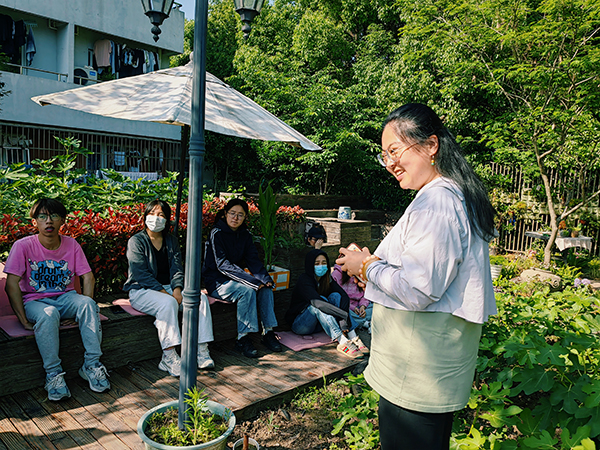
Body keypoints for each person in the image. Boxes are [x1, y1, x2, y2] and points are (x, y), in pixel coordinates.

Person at [337, 103, 497, 450]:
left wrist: (364, 266)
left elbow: (417, 289)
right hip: (426, 369)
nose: (390, 163)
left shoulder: (437, 202)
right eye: (384, 155)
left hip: (414, 371)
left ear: (430, 145)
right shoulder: (454, 194)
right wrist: (372, 268)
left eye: (395, 150)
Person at [3, 198, 110, 401]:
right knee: (49, 314)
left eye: (54, 216)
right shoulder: (22, 246)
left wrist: (80, 314)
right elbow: (11, 284)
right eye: (42, 216)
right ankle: (53, 374)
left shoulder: (72, 244)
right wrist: (24, 320)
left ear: (63, 220)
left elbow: (88, 277)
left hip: (66, 297)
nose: (48, 221)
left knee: (89, 304)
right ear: (34, 222)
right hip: (35, 302)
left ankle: (92, 365)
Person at [123, 199, 215, 376]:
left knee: (200, 298)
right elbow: (140, 273)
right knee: (167, 303)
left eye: (161, 215)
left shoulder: (170, 240)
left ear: (167, 220)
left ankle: (201, 351)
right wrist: (165, 293)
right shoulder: (136, 241)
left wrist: (177, 289)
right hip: (142, 290)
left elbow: (176, 268)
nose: (155, 218)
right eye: (151, 214)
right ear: (145, 217)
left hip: (169, 289)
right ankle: (169, 357)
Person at [202, 198, 282, 358]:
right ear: (225, 214)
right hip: (216, 282)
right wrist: (251, 281)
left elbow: (253, 260)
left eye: (240, 215)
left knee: (266, 289)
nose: (235, 218)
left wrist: (265, 279)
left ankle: (268, 332)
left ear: (245, 217)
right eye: (232, 213)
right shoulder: (216, 233)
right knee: (247, 291)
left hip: (236, 278)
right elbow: (222, 264)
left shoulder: (245, 235)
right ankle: (242, 339)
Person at [286, 249, 369, 359]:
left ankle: (353, 336)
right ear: (310, 265)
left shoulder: (327, 279)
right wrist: (342, 316)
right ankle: (342, 341)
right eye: (317, 263)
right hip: (301, 325)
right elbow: (318, 303)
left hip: (320, 324)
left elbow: (343, 296)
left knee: (335, 296)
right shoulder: (304, 280)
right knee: (318, 304)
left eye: (323, 263)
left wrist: (343, 320)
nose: (321, 266)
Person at [332, 264, 372, 331]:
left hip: (359, 307)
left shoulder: (361, 273)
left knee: (376, 307)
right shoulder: (336, 274)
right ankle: (366, 323)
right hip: (347, 307)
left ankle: (361, 322)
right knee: (342, 313)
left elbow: (365, 294)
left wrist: (363, 306)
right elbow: (337, 298)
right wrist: (353, 308)